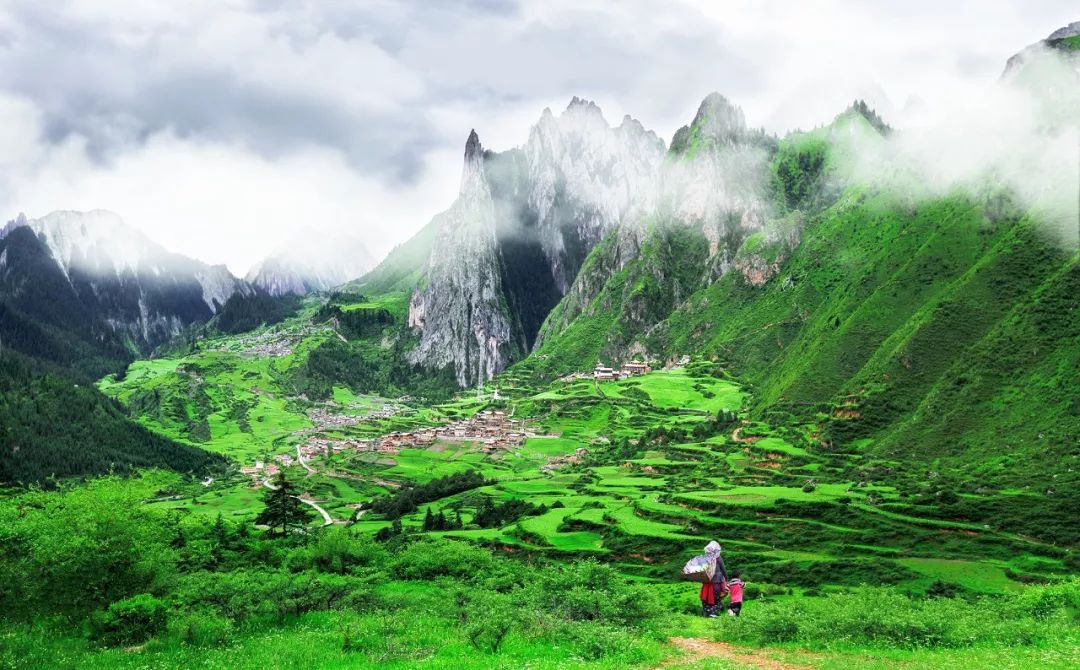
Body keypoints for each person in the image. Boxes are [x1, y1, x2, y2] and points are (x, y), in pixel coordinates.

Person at [698, 540, 727, 617]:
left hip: (707, 582)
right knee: (716, 597)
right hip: (716, 582)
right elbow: (723, 569)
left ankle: (707, 612)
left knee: (706, 597)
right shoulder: (718, 558)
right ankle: (712, 613)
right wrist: (726, 578)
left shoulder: (705, 558)